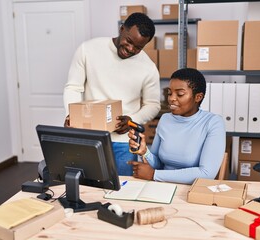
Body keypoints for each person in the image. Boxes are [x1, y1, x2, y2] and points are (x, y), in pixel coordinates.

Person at [63, 13, 161, 176]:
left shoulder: (148, 68)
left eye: (138, 47)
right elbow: (73, 87)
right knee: (87, 186)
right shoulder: (88, 50)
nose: (131, 49)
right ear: (122, 29)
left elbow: (153, 105)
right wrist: (71, 115)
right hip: (89, 137)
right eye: (129, 41)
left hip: (124, 142)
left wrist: (132, 121)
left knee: (123, 188)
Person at [128, 68, 226, 185]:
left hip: (190, 190)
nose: (171, 98)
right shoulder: (165, 119)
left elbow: (206, 174)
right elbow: (158, 164)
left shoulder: (213, 122)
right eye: (169, 93)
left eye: (180, 94)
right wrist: (145, 152)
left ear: (198, 97)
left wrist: (154, 174)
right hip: (160, 185)